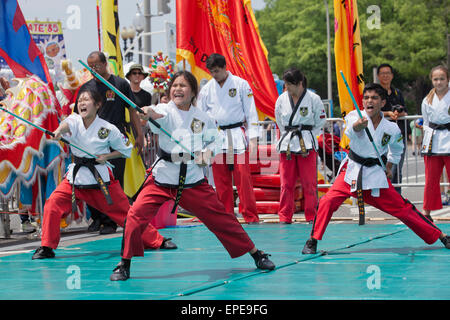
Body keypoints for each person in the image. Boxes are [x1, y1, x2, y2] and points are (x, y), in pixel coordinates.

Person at [110, 71, 275, 281]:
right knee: (134, 216)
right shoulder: (165, 110)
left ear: (193, 92)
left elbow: (214, 142)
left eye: (183, 86)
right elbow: (155, 113)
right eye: (175, 85)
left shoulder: (203, 118)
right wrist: (147, 112)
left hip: (192, 180)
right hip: (162, 179)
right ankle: (124, 263)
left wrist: (207, 153)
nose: (178, 89)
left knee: (222, 219)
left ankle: (255, 253)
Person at [301, 83, 450, 254]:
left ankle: (441, 235)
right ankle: (313, 240)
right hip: (353, 171)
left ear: (383, 102)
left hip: (375, 175)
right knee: (328, 201)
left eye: (374, 98)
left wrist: (389, 166)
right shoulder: (354, 116)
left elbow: (397, 149)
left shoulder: (391, 128)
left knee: (403, 208)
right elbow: (350, 130)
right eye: (366, 98)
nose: (369, 101)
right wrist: (359, 126)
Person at [32, 88, 176, 259]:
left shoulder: (108, 128)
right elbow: (65, 126)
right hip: (76, 179)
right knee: (52, 204)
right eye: (80, 101)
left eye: (86, 100)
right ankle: (47, 247)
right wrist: (58, 132)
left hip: (101, 181)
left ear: (98, 104)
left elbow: (126, 151)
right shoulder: (74, 120)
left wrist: (107, 156)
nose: (82, 103)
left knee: (127, 214)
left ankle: (157, 240)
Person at [75, 51, 145, 235]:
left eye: (97, 65)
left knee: (112, 180)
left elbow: (132, 109)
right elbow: (77, 117)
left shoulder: (120, 84)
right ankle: (97, 218)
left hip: (115, 137)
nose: (94, 69)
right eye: (90, 66)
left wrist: (139, 135)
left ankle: (111, 220)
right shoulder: (86, 88)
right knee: (91, 180)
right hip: (92, 140)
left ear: (105, 64)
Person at [197, 53, 260, 224]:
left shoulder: (241, 84)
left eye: (217, 71)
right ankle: (226, 218)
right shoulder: (207, 89)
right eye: (211, 72)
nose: (214, 74)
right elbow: (200, 117)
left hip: (237, 136)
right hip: (217, 137)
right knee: (221, 181)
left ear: (225, 67)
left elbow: (251, 113)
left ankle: (250, 216)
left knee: (243, 179)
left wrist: (253, 138)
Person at [275, 67, 327, 223]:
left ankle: (312, 216)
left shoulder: (313, 98)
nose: (287, 88)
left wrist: (308, 133)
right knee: (286, 184)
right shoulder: (281, 99)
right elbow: (279, 121)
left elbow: (320, 121)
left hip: (307, 143)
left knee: (309, 184)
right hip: (288, 144)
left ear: (299, 83)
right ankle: (285, 216)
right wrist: (290, 134)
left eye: (289, 85)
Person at [420, 65, 450, 222]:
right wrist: (426, 140)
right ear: (432, 81)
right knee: (431, 179)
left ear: (448, 80)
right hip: (433, 141)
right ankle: (426, 211)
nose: (439, 82)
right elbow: (426, 122)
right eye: (436, 79)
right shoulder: (427, 100)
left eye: (442, 79)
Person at [377, 63, 409, 194]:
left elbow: (405, 112)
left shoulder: (397, 92)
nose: (385, 76)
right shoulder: (375, 93)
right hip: (382, 136)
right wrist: (388, 114)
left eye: (388, 73)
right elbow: (371, 111)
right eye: (383, 73)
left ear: (392, 75)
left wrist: (399, 114)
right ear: (378, 76)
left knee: (397, 167)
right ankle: (383, 197)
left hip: (398, 135)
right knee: (382, 167)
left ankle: (397, 197)